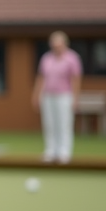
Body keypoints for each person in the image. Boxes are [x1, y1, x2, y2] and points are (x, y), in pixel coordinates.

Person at [32, 30, 82, 164]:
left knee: (64, 124)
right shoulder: (46, 58)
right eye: (53, 44)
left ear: (64, 44)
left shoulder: (72, 58)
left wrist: (75, 98)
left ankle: (64, 153)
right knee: (49, 124)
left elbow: (76, 79)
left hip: (64, 96)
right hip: (48, 95)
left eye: (58, 44)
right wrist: (36, 95)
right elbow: (41, 77)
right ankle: (50, 151)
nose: (56, 47)